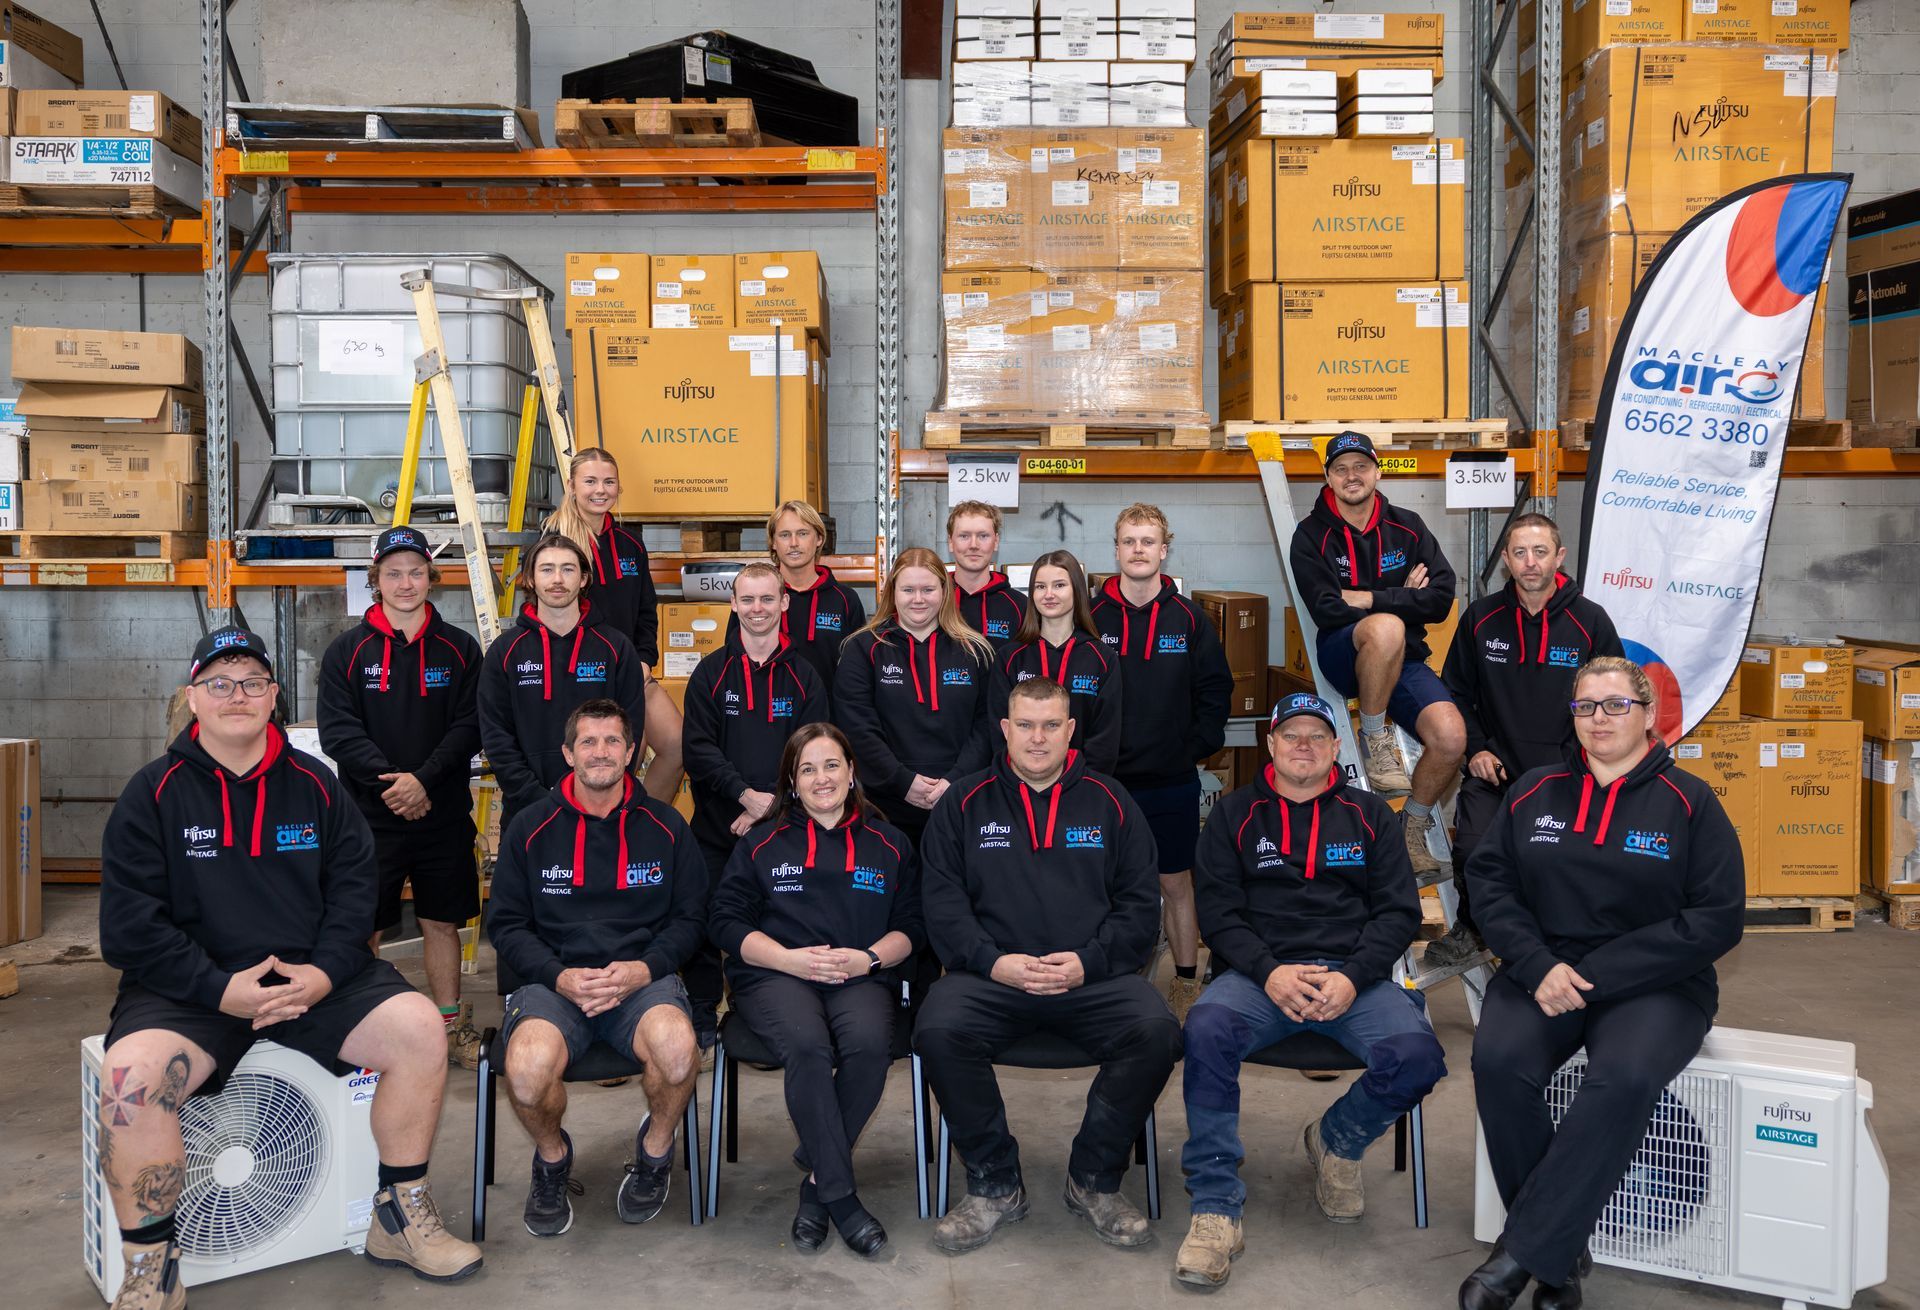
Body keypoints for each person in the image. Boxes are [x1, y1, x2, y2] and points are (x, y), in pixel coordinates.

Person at [99, 628, 482, 1308]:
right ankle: (150, 1264)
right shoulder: (151, 795)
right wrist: (221, 990)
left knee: (422, 1028)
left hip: (312, 979)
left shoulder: (318, 787)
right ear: (194, 697)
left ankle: (399, 1216)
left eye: (251, 682)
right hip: (194, 989)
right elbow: (129, 930)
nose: (236, 695)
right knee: (129, 1081)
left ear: (274, 697)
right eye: (219, 682)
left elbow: (355, 895)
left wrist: (328, 975)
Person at [1460, 657, 1744, 1310]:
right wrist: (1536, 965)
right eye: (1586, 706)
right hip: (1544, 971)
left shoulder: (1690, 803)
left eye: (1616, 704)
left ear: (1648, 715)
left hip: (1657, 984)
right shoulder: (1534, 792)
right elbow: (1492, 884)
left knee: (1623, 1077)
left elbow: (1715, 919)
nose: (1599, 719)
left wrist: (1596, 975)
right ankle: (1560, 1258)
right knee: (1499, 1061)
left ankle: (1522, 1254)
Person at [1174, 692, 1446, 1289]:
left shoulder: (1372, 815)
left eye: (1317, 736)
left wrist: (1352, 977)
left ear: (1335, 749)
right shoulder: (1234, 815)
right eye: (1291, 734)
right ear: (1269, 744)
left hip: (1353, 976)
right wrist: (1269, 971)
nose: (1303, 745)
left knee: (1419, 1056)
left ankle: (1336, 1142)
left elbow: (1398, 913)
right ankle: (1216, 1206)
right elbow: (1218, 914)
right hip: (1258, 977)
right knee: (1206, 1029)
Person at [915, 678, 1183, 1255]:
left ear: (1070, 731)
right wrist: (993, 962)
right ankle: (994, 1183)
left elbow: (1140, 908)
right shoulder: (962, 803)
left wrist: (1088, 963)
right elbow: (941, 907)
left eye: (1051, 726)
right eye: (1026, 726)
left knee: (1157, 1031)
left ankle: (1094, 1180)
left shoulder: (1113, 803)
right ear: (1005, 731)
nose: (1038, 739)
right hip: (991, 978)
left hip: (1090, 979)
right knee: (937, 1028)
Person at [487, 699, 707, 1239]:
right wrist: (558, 975)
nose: (601, 752)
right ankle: (553, 1159)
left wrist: (642, 969)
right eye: (589, 741)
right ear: (568, 753)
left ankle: (655, 1153)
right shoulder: (530, 829)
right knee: (526, 1071)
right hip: (553, 985)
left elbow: (691, 919)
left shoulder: (667, 825)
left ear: (633, 752)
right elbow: (507, 924)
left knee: (680, 1054)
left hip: (641, 982)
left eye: (613, 741)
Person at [708, 723, 922, 1258]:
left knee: (871, 1045)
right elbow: (725, 921)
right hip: (775, 975)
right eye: (807, 768)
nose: (821, 778)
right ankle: (841, 1199)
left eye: (832, 765)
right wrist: (788, 959)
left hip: (858, 972)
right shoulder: (762, 841)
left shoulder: (890, 843)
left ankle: (817, 1179)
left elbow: (914, 927)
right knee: (807, 1045)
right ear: (791, 781)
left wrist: (868, 958)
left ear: (852, 773)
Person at [317, 526, 485, 1069]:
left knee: (441, 922)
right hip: (370, 817)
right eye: (394, 573)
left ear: (431, 579)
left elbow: (469, 726)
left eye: (416, 572)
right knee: (366, 924)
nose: (406, 582)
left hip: (441, 814)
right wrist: (395, 784)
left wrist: (424, 781)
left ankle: (448, 1027)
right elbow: (338, 732)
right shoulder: (346, 651)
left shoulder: (461, 649)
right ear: (376, 581)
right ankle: (364, 1026)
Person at [1430, 514, 1623, 969]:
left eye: (1540, 552)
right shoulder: (1480, 619)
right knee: (1474, 850)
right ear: (1506, 561)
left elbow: (1613, 701)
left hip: (1566, 776)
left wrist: (1582, 762)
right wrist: (1475, 749)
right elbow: (1456, 691)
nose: (1530, 563)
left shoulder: (1590, 621)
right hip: (1494, 770)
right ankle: (1474, 930)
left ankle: (1556, 943)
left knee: (1554, 861)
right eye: (1519, 553)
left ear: (1559, 556)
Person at [1288, 431, 1466, 879]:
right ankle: (1375, 737)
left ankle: (1413, 825)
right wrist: (1400, 599)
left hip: (1404, 657)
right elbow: (1326, 607)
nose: (1352, 476)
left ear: (1377, 470)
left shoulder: (1408, 527)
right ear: (1328, 477)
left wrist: (1367, 598)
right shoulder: (1310, 535)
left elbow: (1442, 597)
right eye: (1341, 468)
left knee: (1451, 738)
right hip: (1342, 654)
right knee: (1386, 628)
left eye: (1361, 466)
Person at [1089, 503, 1233, 1021]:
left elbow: (1216, 689)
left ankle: (1187, 982)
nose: (1138, 551)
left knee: (1176, 882)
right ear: (1117, 549)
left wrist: (1191, 746)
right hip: (1104, 780)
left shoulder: (1190, 619)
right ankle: (1110, 977)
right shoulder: (1092, 616)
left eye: (1148, 542)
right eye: (1129, 541)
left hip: (1170, 776)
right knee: (1104, 882)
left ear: (1163, 550)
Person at [681, 561, 830, 1048]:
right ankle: (702, 1014)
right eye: (748, 599)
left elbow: (814, 751)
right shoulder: (710, 673)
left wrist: (772, 804)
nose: (758, 609)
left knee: (775, 921)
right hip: (720, 826)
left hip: (786, 827)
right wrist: (745, 795)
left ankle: (760, 1014)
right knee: (704, 918)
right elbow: (698, 749)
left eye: (768, 599)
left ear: (785, 603)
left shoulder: (805, 674)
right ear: (734, 605)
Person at [478, 532, 647, 838]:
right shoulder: (504, 652)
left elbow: (629, 730)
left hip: (603, 812)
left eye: (568, 569)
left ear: (584, 579)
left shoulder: (616, 648)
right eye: (547, 569)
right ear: (529, 578)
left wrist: (597, 795)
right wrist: (539, 800)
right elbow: (496, 735)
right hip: (526, 812)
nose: (558, 579)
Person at [543, 447, 684, 805]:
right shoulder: (555, 542)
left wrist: (643, 661)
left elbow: (646, 611)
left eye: (609, 481)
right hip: (584, 674)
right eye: (590, 481)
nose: (600, 490)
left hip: (632, 669)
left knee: (679, 745)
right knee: (615, 766)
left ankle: (639, 822)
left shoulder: (630, 544)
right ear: (572, 485)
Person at [833, 546, 995, 845]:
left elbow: (987, 725)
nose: (918, 599)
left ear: (945, 591)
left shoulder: (975, 650)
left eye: (928, 589)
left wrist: (955, 781)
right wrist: (902, 782)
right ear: (892, 592)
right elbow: (857, 727)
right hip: (884, 807)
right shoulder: (861, 649)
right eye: (908, 589)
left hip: (961, 800)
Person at [989, 549, 1122, 773]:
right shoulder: (1010, 657)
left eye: (1059, 585)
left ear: (1077, 591)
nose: (1049, 594)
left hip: (1082, 789)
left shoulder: (1102, 658)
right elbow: (999, 732)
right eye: (1040, 587)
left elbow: (1105, 740)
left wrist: (1078, 786)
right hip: (1020, 787)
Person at [731, 499, 866, 688]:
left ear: (819, 539)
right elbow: (735, 661)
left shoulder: (844, 599)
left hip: (827, 714)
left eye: (803, 533)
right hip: (767, 712)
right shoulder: (755, 600)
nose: (794, 543)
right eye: (785, 535)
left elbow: (859, 669)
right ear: (773, 543)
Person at [947, 499, 1027, 649]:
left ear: (996, 541)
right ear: (950, 542)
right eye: (964, 536)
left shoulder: (1020, 606)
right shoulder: (934, 601)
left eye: (983, 536)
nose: (973, 545)